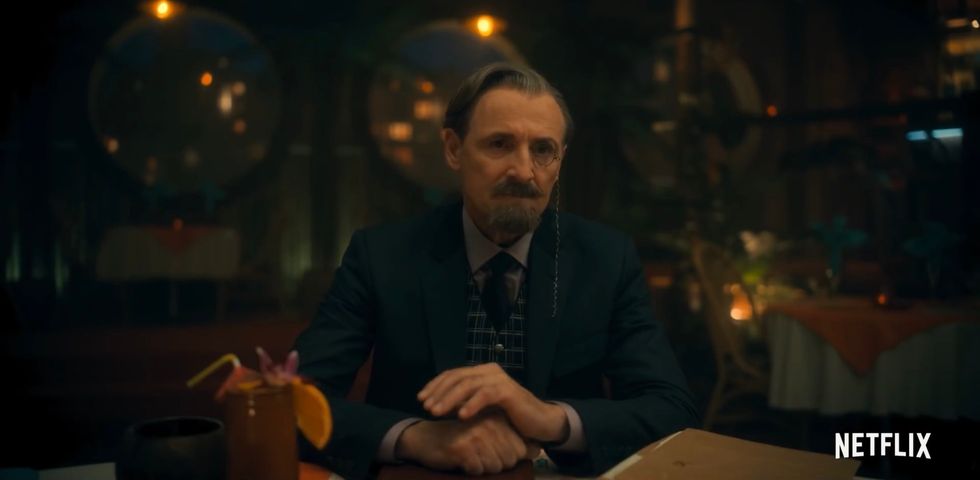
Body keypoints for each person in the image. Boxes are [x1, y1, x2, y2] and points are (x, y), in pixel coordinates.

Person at [294, 63, 699, 479]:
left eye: (543, 150)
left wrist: (551, 419)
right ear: (454, 148)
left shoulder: (606, 259)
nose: (523, 171)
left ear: (560, 161)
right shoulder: (383, 256)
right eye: (500, 144)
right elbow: (292, 401)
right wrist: (414, 436)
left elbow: (671, 409)